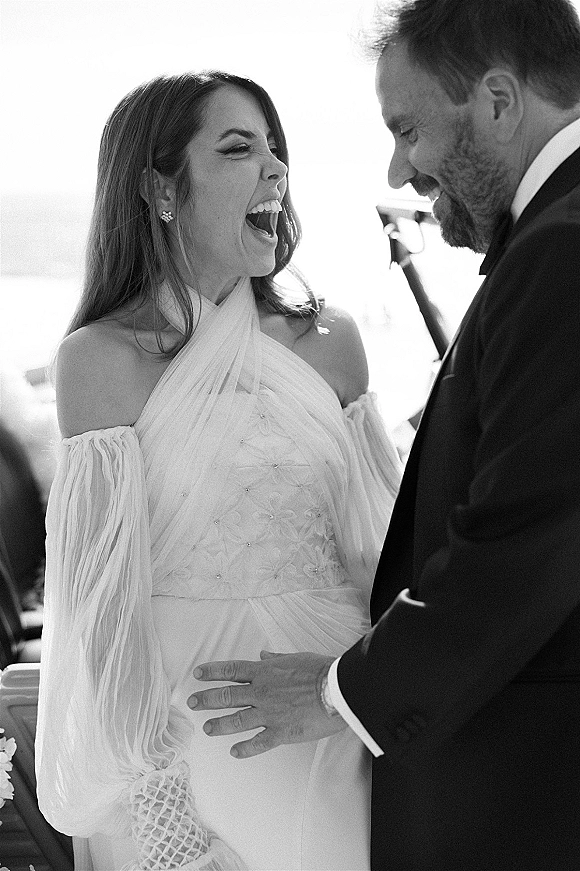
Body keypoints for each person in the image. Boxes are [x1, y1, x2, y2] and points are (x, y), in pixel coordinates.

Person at [189, 1, 580, 868]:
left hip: (530, 791)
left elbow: (528, 544)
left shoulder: (563, 250)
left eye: (408, 129)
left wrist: (342, 691)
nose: (399, 170)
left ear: (500, 101)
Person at [34, 70, 402, 871]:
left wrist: (383, 700)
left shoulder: (331, 340)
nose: (276, 169)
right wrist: (159, 797)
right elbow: (102, 606)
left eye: (277, 149)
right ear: (160, 189)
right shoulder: (99, 361)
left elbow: (379, 549)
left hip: (329, 707)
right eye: (240, 149)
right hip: (188, 726)